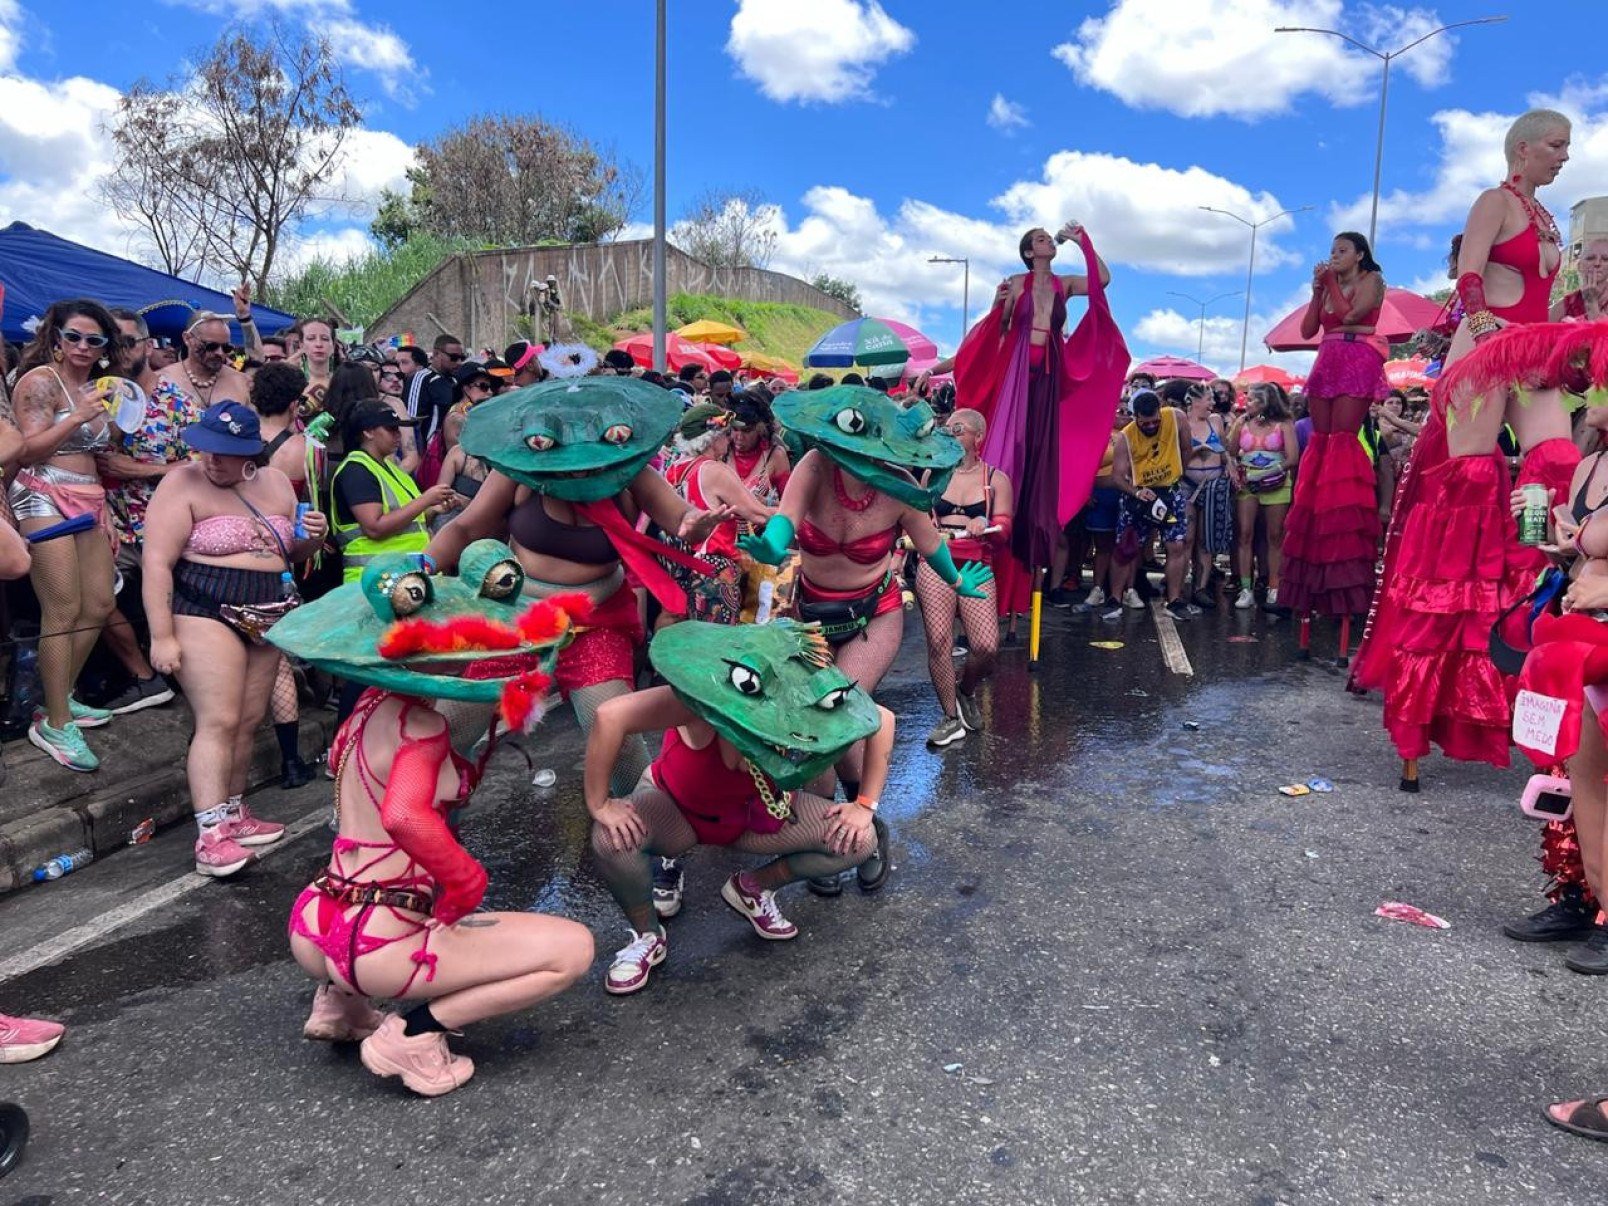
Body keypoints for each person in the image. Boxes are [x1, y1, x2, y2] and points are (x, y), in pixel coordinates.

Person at [274, 547, 593, 1096]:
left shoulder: (366, 709)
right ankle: (414, 1036)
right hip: (378, 941)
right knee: (572, 951)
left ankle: (341, 1006)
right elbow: (403, 816)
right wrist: (467, 881)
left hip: (317, 925)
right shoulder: (418, 727)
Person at [1352, 109, 1577, 784]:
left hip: (1534, 351)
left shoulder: (1547, 220)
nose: (1565, 157)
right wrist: (1484, 330)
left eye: (1569, 148)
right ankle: (1452, 611)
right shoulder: (1493, 202)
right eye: (1557, 147)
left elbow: (1548, 294)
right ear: (1524, 149)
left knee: (1554, 466)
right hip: (1484, 345)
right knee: (1473, 480)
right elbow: (1470, 277)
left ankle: (1525, 569)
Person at [427, 374, 734, 816]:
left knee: (618, 736)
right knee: (451, 725)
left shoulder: (631, 474)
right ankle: (426, 831)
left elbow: (678, 516)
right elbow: (465, 526)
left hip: (595, 625)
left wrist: (693, 523)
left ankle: (655, 836)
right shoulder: (519, 473)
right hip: (520, 619)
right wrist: (418, 567)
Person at [741, 385, 985, 891]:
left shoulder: (899, 486)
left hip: (874, 615)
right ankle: (844, 834)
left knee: (833, 717)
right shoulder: (813, 465)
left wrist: (960, 583)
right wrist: (771, 545)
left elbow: (931, 544)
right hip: (810, 617)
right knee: (823, 731)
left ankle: (854, 830)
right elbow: (786, 519)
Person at [587, 620, 889, 994]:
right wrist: (599, 803)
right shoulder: (700, 705)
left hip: (757, 816)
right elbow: (610, 716)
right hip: (680, 812)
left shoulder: (800, 701)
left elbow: (882, 720)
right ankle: (648, 934)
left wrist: (864, 805)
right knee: (611, 839)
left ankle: (753, 889)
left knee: (860, 841)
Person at [142, 402, 328, 875]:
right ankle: (209, 837)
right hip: (203, 608)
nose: (211, 460)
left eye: (223, 453)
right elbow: (157, 562)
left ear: (251, 454)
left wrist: (312, 536)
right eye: (205, 449)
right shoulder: (181, 483)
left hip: (267, 608)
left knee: (248, 720)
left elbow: (290, 554)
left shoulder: (277, 484)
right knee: (219, 719)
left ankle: (234, 812)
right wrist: (161, 634)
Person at [8, 300, 123, 770]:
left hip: (89, 498)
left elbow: (99, 455)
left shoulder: (98, 388)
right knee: (63, 609)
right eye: (73, 336)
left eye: (93, 340)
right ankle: (55, 723)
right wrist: (76, 416)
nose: (82, 346)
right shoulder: (40, 382)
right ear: (55, 337)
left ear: (104, 348)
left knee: (99, 604)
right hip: (42, 493)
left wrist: (106, 508)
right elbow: (26, 449)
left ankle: (58, 697)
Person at [1280, 232, 1388, 641]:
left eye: (1342, 251)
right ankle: (1314, 522)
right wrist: (1315, 292)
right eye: (1331, 251)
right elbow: (1311, 328)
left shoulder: (1373, 281)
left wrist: (1328, 286)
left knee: (1342, 440)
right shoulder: (1328, 286)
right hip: (1328, 356)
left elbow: (1350, 315)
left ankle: (1343, 524)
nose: (1334, 256)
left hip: (1357, 357)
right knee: (1322, 445)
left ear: (1360, 254)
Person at [97, 308, 179, 716]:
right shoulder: (96, 395)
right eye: (111, 341)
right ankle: (142, 676)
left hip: (159, 530)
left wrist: (144, 469)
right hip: (106, 525)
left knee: (167, 608)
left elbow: (196, 468)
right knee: (93, 597)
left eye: (127, 341)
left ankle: (169, 675)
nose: (119, 350)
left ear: (147, 345)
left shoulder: (173, 402)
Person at [917, 408, 1012, 748]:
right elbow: (914, 519)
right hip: (935, 562)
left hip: (976, 564)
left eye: (958, 430)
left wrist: (985, 525)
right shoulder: (932, 474)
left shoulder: (995, 478)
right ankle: (949, 717)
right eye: (947, 429)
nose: (950, 434)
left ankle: (965, 689)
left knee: (986, 646)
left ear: (977, 437)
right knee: (940, 640)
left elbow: (1005, 528)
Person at [660, 403, 775, 625]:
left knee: (681, 639)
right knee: (715, 645)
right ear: (714, 438)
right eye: (727, 433)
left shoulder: (674, 467)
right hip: (712, 572)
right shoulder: (714, 470)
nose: (731, 438)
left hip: (678, 567)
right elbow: (758, 515)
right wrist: (794, 511)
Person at [1109, 390, 1194, 620]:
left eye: (1155, 421)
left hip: (1169, 493)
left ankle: (1174, 600)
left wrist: (1176, 477)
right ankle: (1115, 599)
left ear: (1160, 411)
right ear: (1135, 416)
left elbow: (1187, 449)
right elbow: (1117, 477)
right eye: (1145, 423)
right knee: (1126, 547)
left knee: (1176, 545)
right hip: (1138, 496)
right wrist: (1136, 492)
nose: (1151, 426)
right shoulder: (1126, 437)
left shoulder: (1176, 417)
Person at [1228, 383, 1300, 611]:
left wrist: (1265, 473)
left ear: (1264, 402)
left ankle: (1274, 586)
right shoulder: (1243, 422)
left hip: (1276, 483)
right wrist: (1237, 472)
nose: (1245, 404)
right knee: (1245, 533)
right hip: (1247, 484)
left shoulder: (1284, 424)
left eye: (1250, 400)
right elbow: (1229, 452)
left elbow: (1292, 458)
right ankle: (1246, 587)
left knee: (1275, 535)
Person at [1180, 381, 1234, 610]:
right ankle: (1180, 584)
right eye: (1209, 399)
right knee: (1185, 539)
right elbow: (1177, 457)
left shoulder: (1215, 421)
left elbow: (1225, 451)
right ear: (1194, 401)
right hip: (1187, 484)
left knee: (1206, 539)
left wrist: (1229, 466)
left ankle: (1200, 587)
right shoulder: (1181, 422)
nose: (1213, 403)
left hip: (1213, 484)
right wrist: (1196, 450)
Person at [725, 391, 791, 511]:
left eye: (747, 431)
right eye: (735, 429)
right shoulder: (721, 451)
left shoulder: (775, 455)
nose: (739, 437)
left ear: (761, 430)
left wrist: (767, 502)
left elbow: (791, 505)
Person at [1554, 236, 1608, 322]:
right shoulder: (1566, 304)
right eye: (1590, 258)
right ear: (1579, 266)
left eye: (1605, 259)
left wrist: (1591, 302)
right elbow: (1539, 331)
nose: (1597, 263)